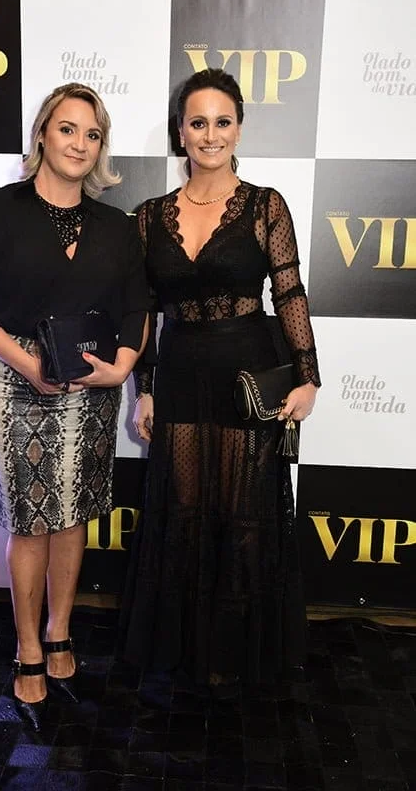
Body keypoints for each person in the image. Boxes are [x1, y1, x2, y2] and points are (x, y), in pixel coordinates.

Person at [0, 82, 149, 730]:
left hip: (90, 383)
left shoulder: (116, 226)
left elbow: (137, 306)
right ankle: (28, 647)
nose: (80, 144)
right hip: (14, 379)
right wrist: (30, 365)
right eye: (68, 129)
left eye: (93, 134)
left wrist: (123, 365)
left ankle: (61, 631)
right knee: (30, 518)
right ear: (42, 133)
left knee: (72, 514)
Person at [120, 68, 321, 691]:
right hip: (180, 374)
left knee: (243, 514)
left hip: (245, 378)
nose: (211, 134)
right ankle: (185, 652)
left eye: (223, 122)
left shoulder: (265, 206)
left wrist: (308, 378)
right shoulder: (148, 216)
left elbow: (288, 293)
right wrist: (145, 389)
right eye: (198, 122)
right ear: (180, 132)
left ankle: (235, 656)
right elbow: (145, 311)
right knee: (182, 510)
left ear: (239, 128)